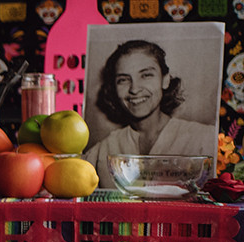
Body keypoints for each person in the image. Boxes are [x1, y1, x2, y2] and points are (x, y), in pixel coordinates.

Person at [83, 40, 197, 187]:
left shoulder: (201, 139)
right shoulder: (104, 150)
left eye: (146, 75)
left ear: (165, 80)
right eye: (123, 80)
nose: (134, 89)